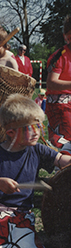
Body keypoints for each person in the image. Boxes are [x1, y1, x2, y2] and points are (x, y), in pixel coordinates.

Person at [0, 93, 71, 248]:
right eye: (31, 127)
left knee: (26, 242)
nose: (37, 132)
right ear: (10, 132)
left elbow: (62, 161)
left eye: (39, 126)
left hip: (21, 213)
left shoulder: (38, 150)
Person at [45, 15, 71, 149]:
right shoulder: (60, 56)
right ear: (66, 36)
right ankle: (62, 167)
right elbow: (51, 83)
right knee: (66, 142)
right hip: (60, 106)